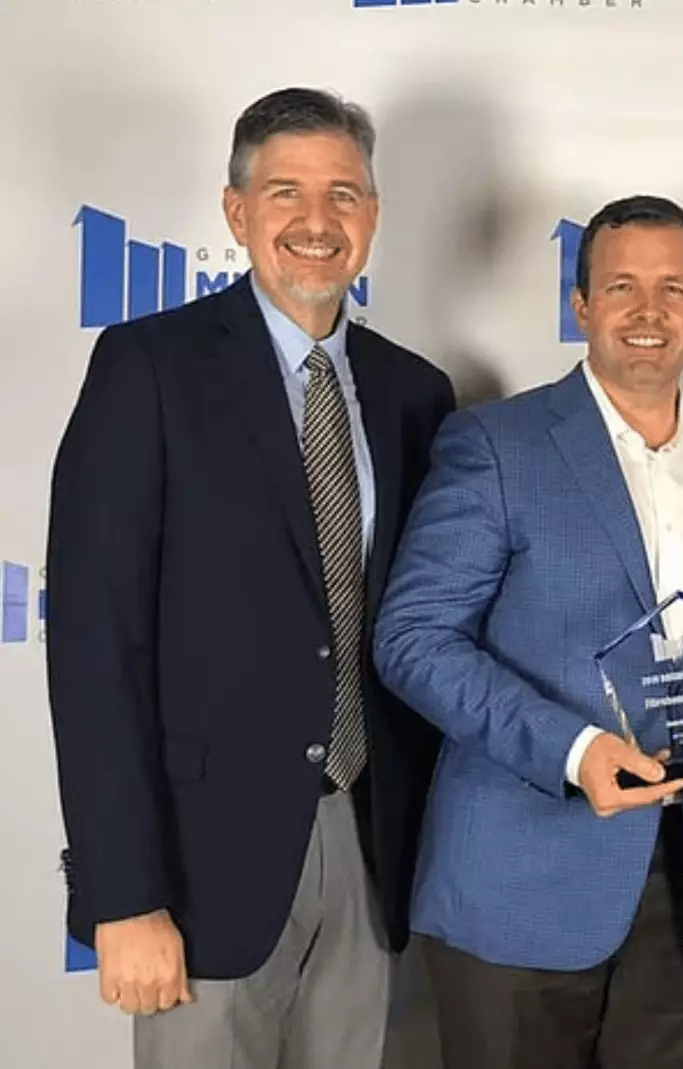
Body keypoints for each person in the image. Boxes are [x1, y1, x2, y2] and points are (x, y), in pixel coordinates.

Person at [45, 88, 456, 1069]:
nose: (318, 222)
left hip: (370, 854)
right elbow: (96, 646)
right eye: (285, 193)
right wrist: (123, 893)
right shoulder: (148, 368)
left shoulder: (415, 393)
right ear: (237, 213)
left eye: (344, 195)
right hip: (198, 874)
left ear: (374, 216)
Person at [372, 194, 683, 1069]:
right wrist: (574, 748)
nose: (648, 311)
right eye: (621, 285)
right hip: (517, 878)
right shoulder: (495, 442)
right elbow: (413, 637)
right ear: (581, 304)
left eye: (673, 289)